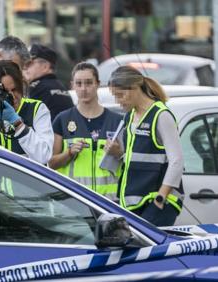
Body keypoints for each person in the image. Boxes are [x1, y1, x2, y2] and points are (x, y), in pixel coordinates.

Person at [109, 65, 184, 226]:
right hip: (134, 204)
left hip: (156, 201)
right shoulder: (129, 117)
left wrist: (160, 198)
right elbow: (138, 158)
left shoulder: (161, 115)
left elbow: (177, 161)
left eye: (120, 95)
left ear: (135, 88)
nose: (118, 101)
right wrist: (118, 153)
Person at [48, 62, 123, 201]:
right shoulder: (62, 120)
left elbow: (129, 162)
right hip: (75, 202)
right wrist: (69, 153)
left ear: (98, 84)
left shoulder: (117, 121)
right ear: (72, 85)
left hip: (110, 203)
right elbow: (51, 163)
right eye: (79, 83)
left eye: (89, 83)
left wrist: (118, 153)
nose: (83, 89)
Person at [23, 44, 73, 121]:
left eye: (29, 63)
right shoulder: (61, 87)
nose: (25, 68)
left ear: (45, 67)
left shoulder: (36, 88)